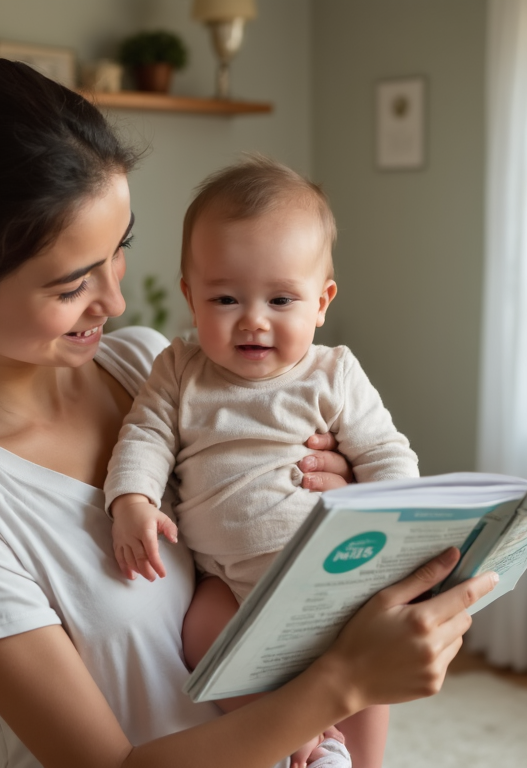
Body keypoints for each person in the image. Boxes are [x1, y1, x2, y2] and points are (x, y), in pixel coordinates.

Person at [0, 58, 497, 768]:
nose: (115, 301)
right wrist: (345, 682)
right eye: (71, 286)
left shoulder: (148, 363)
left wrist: (340, 499)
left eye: (120, 249)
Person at [105, 156, 420, 768]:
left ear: (321, 302)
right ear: (190, 297)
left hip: (331, 578)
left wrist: (401, 522)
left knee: (367, 660)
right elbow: (144, 436)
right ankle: (298, 735)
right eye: (225, 298)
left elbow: (386, 453)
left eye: (280, 299)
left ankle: (357, 758)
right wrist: (132, 502)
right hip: (228, 582)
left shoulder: (333, 374)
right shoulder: (178, 370)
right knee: (200, 637)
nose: (253, 319)